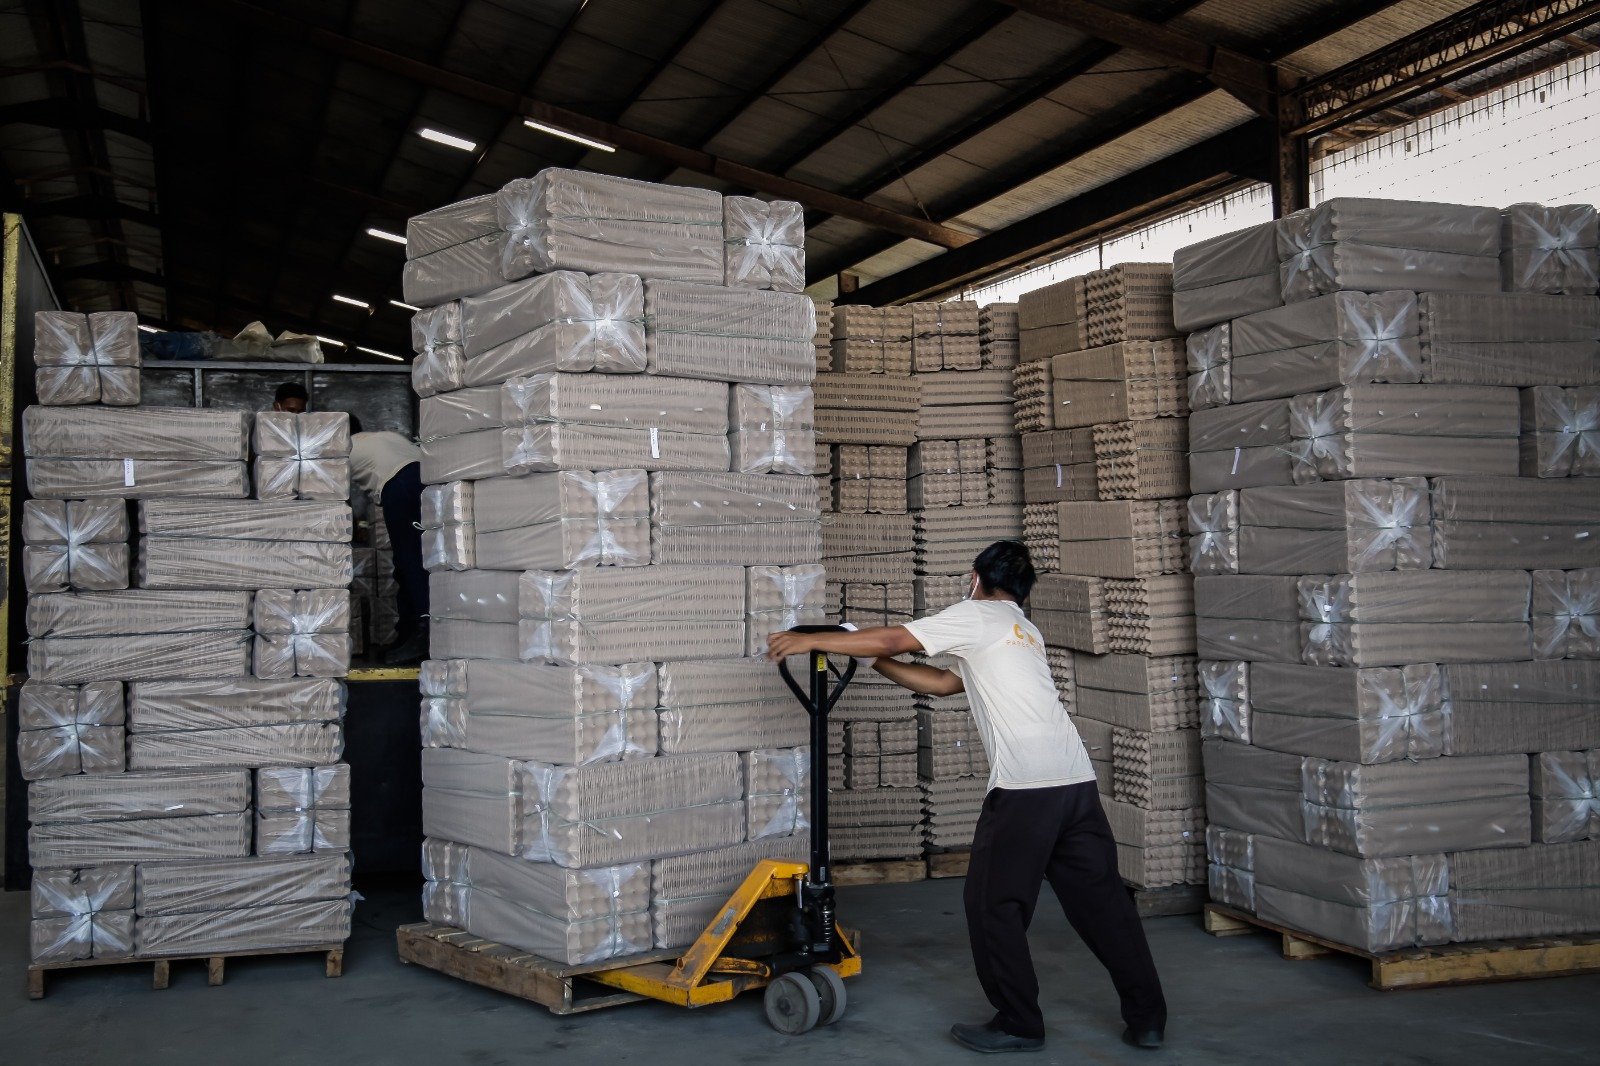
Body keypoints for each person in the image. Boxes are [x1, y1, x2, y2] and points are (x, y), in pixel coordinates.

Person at [767, 541, 1166, 1055]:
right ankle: (1148, 1018)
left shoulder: (976, 615)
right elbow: (945, 684)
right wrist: (876, 660)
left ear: (976, 578)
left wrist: (812, 642)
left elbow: (895, 635)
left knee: (992, 906)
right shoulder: (1023, 630)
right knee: (1105, 906)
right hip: (1074, 783)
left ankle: (1019, 1022)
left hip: (1025, 790)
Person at [347, 415, 429, 665]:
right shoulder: (387, 437)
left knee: (410, 561)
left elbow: (331, 499)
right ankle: (408, 629)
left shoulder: (345, 447)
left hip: (401, 486)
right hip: (431, 482)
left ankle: (424, 632)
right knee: (417, 559)